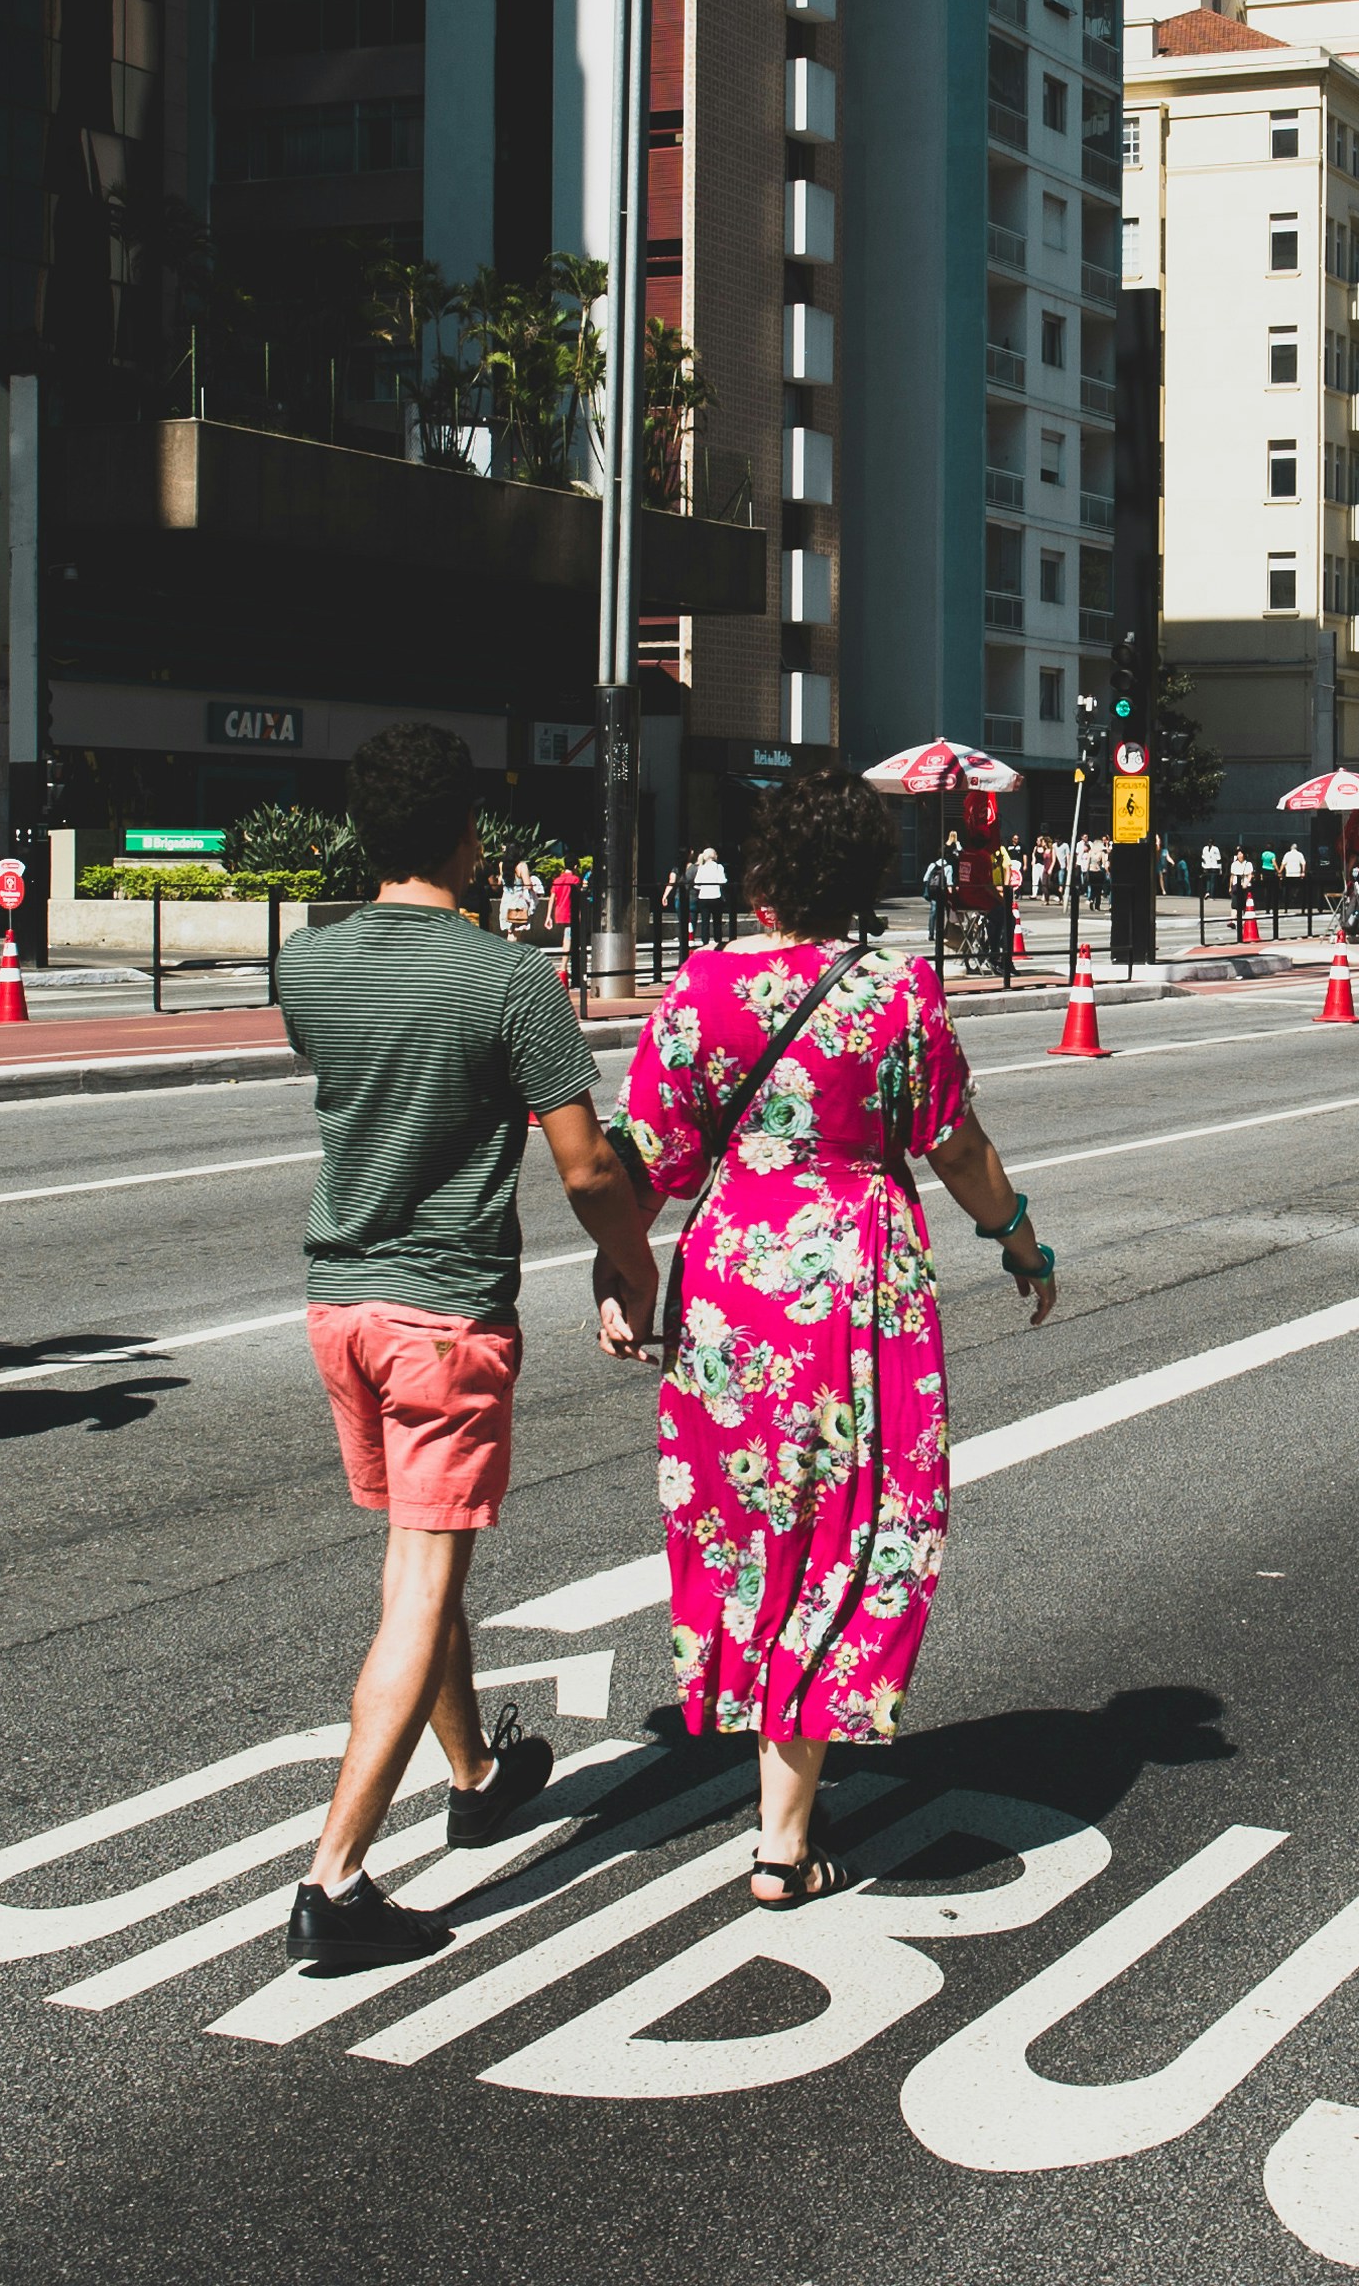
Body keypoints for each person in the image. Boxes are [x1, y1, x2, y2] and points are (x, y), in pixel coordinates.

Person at [615, 766, 1057, 1908]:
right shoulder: (896, 993)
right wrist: (1018, 1242)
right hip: (856, 1281)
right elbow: (952, 1145)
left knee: (742, 1522)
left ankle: (770, 1795)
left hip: (728, 1281)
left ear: (760, 883)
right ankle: (782, 1838)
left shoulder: (698, 990)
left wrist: (617, 1275)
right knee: (850, 1523)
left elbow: (646, 1161)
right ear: (862, 883)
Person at [270, 722, 662, 1974]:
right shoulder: (508, 982)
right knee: (419, 1583)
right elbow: (589, 1165)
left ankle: (478, 1774)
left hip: (340, 1306)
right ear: (465, 833)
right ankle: (334, 1881)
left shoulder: (306, 968)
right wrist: (631, 1259)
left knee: (412, 1560)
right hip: (443, 1315)